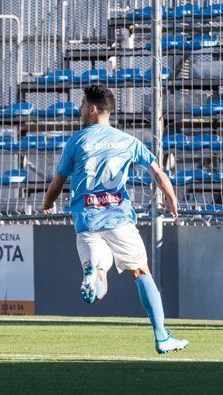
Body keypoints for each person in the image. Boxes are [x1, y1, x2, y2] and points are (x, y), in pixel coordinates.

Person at [42, 84, 189, 354]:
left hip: (87, 221)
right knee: (140, 272)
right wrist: (170, 197)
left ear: (94, 109)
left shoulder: (77, 141)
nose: (80, 109)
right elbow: (157, 172)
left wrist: (48, 204)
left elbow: (57, 184)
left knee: (100, 283)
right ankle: (162, 337)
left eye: (83, 104)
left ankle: (93, 274)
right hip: (119, 219)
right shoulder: (127, 141)